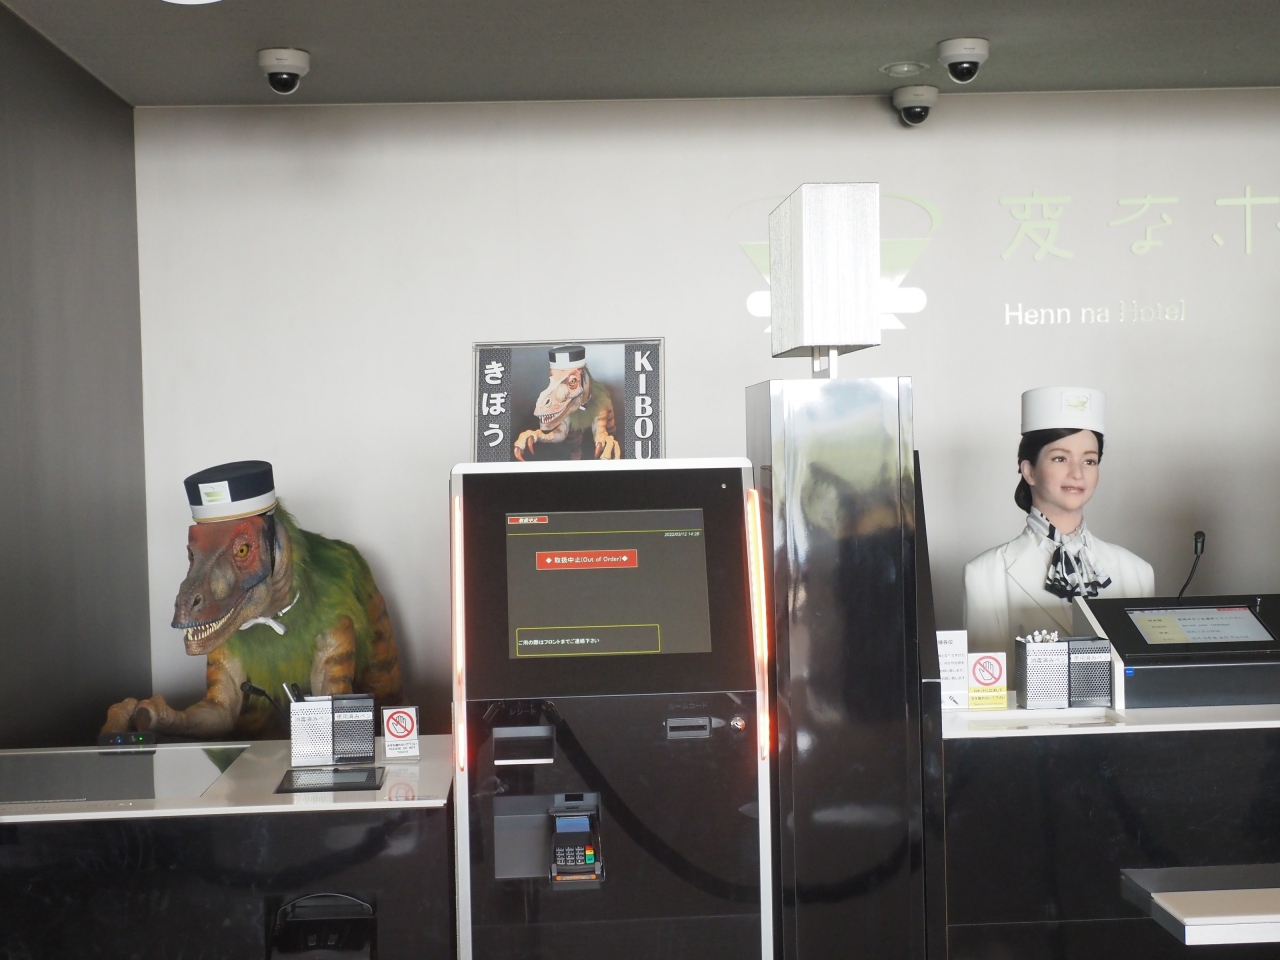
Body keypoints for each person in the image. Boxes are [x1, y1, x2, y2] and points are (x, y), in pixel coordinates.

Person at [964, 386, 1154, 660]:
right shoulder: (985, 575)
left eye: (1089, 461)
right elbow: (989, 682)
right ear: (1029, 471)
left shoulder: (1137, 572)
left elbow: (1139, 676)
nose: (1077, 473)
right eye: (1060, 458)